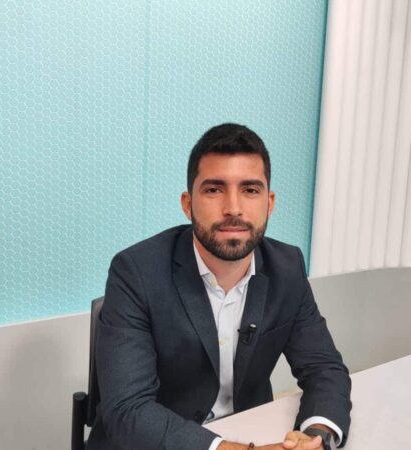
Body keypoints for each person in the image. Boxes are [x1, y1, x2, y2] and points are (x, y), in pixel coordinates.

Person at [87, 123, 351, 450]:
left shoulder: (287, 268)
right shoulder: (136, 272)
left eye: (250, 190)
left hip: (250, 430)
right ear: (188, 204)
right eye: (214, 190)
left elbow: (324, 368)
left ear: (269, 203)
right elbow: (128, 410)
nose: (233, 208)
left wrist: (317, 437)